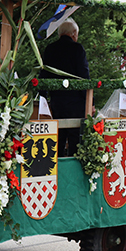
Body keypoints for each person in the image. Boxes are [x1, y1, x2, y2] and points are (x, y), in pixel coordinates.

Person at [40, 19, 90, 156]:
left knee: (58, 137)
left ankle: (58, 167)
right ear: (74, 34)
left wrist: (43, 99)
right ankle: (73, 169)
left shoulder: (50, 49)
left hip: (57, 101)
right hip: (76, 103)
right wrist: (89, 102)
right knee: (75, 139)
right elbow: (84, 77)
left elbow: (43, 75)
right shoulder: (77, 49)